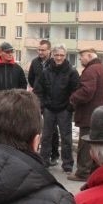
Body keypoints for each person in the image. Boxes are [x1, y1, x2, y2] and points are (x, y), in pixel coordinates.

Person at [34, 44, 80, 173]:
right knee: (46, 137)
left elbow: (76, 91)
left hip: (64, 109)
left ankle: (67, 164)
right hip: (49, 108)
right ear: (52, 55)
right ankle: (44, 161)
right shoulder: (46, 71)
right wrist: (42, 106)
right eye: (57, 55)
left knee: (66, 138)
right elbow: (39, 90)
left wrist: (70, 106)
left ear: (65, 56)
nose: (59, 58)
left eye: (62, 55)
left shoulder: (72, 72)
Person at [69, 47, 103, 182]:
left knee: (85, 145)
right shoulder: (102, 69)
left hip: (89, 115)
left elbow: (87, 91)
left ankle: (82, 173)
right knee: (96, 144)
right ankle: (94, 171)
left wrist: (73, 98)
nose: (80, 59)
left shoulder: (91, 70)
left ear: (89, 56)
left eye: (82, 57)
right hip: (100, 114)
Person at [28, 39, 59, 166]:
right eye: (39, 50)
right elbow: (31, 78)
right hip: (37, 97)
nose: (40, 52)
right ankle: (37, 152)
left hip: (51, 99)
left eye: (43, 50)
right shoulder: (35, 62)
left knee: (51, 128)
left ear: (49, 50)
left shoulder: (54, 63)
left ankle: (54, 154)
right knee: (36, 126)